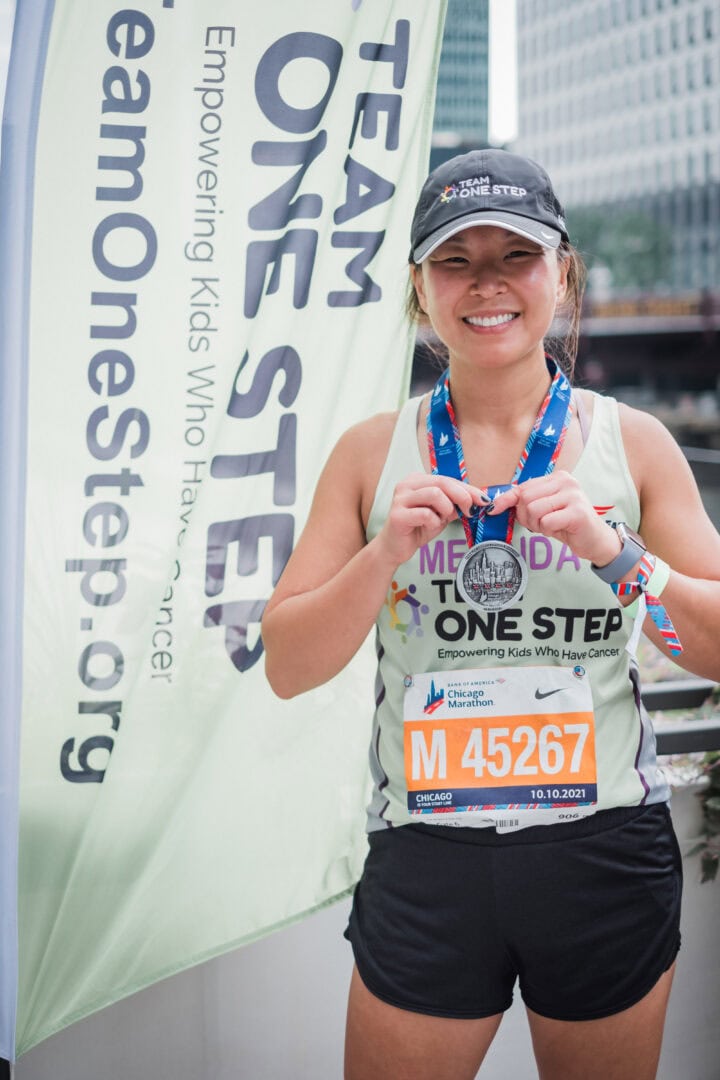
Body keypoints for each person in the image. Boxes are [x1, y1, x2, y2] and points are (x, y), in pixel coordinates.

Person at [261, 148, 720, 1080]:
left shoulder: (632, 445)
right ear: (422, 291)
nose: (487, 284)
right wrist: (385, 551)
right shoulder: (369, 454)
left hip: (600, 851)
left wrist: (618, 555)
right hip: (429, 857)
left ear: (562, 272)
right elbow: (287, 664)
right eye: (455, 261)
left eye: (514, 254)